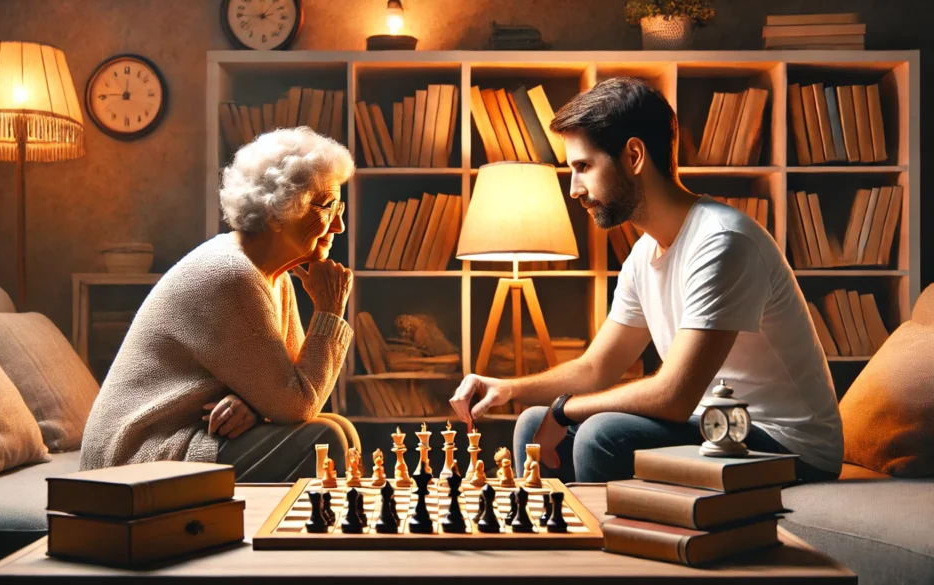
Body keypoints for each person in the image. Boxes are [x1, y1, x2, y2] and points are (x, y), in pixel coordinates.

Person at [450, 77, 842, 484]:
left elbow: (673, 396)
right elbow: (597, 367)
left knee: (602, 435)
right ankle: (559, 542)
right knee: (533, 424)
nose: (573, 188)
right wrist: (511, 388)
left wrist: (564, 409)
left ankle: (607, 545)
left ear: (634, 155)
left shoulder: (723, 241)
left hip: (784, 444)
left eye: (583, 166)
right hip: (713, 425)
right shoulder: (643, 254)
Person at [80, 127, 360, 481]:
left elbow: (292, 390)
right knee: (324, 437)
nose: (339, 224)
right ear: (277, 211)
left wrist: (257, 408)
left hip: (190, 436)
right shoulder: (230, 276)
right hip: (137, 456)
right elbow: (299, 403)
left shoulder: (275, 276)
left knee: (338, 428)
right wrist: (329, 311)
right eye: (328, 206)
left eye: (340, 206)